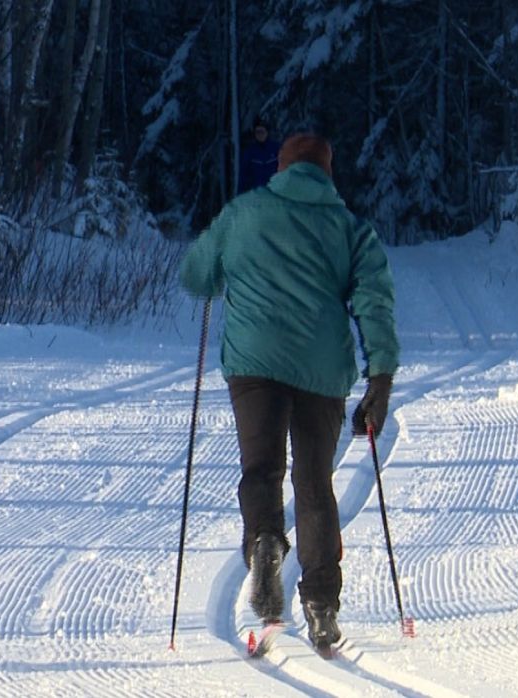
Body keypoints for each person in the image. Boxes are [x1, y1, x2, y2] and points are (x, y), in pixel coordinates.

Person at [179, 132, 400, 649]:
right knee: (314, 483)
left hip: (253, 365)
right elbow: (375, 303)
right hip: (321, 372)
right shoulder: (350, 228)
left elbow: (196, 274)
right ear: (327, 173)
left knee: (261, 470)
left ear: (280, 170)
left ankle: (263, 540)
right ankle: (322, 606)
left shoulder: (243, 213)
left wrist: (223, 270)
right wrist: (381, 378)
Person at [237, 119, 280, 193]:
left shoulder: (276, 149)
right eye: (257, 132)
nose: (260, 135)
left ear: (267, 132)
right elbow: (243, 176)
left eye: (262, 132)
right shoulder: (250, 152)